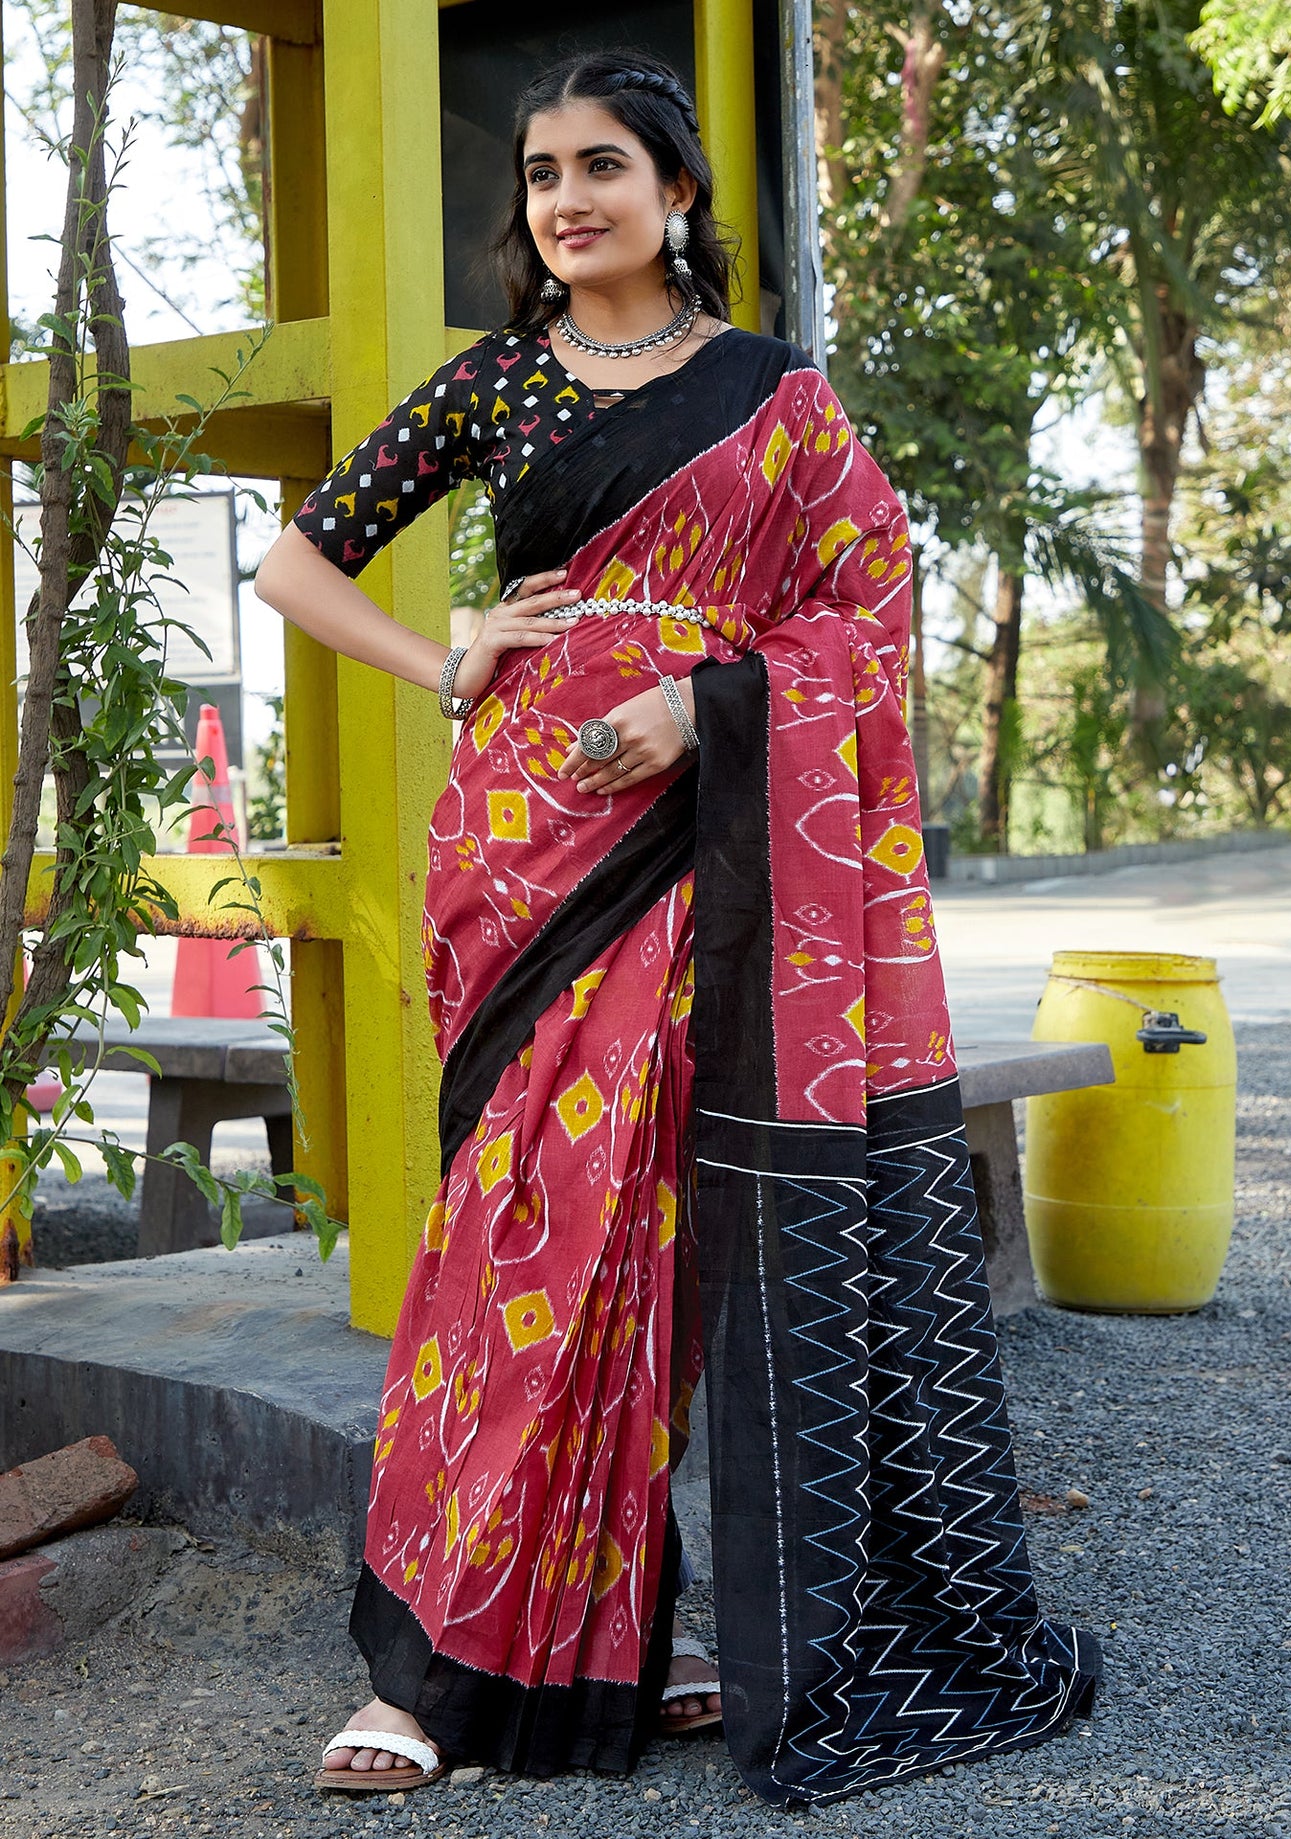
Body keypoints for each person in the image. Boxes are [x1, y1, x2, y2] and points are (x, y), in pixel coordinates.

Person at [255, 48, 1102, 1809]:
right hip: (527, 848)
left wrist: (711, 699)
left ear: (678, 193)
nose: (566, 199)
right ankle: (424, 1664)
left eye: (603, 168)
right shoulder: (493, 384)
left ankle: (613, 1633)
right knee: (509, 1234)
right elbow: (296, 561)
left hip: (704, 838)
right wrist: (450, 655)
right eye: (543, 175)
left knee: (647, 1246)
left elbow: (869, 607)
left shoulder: (772, 397)